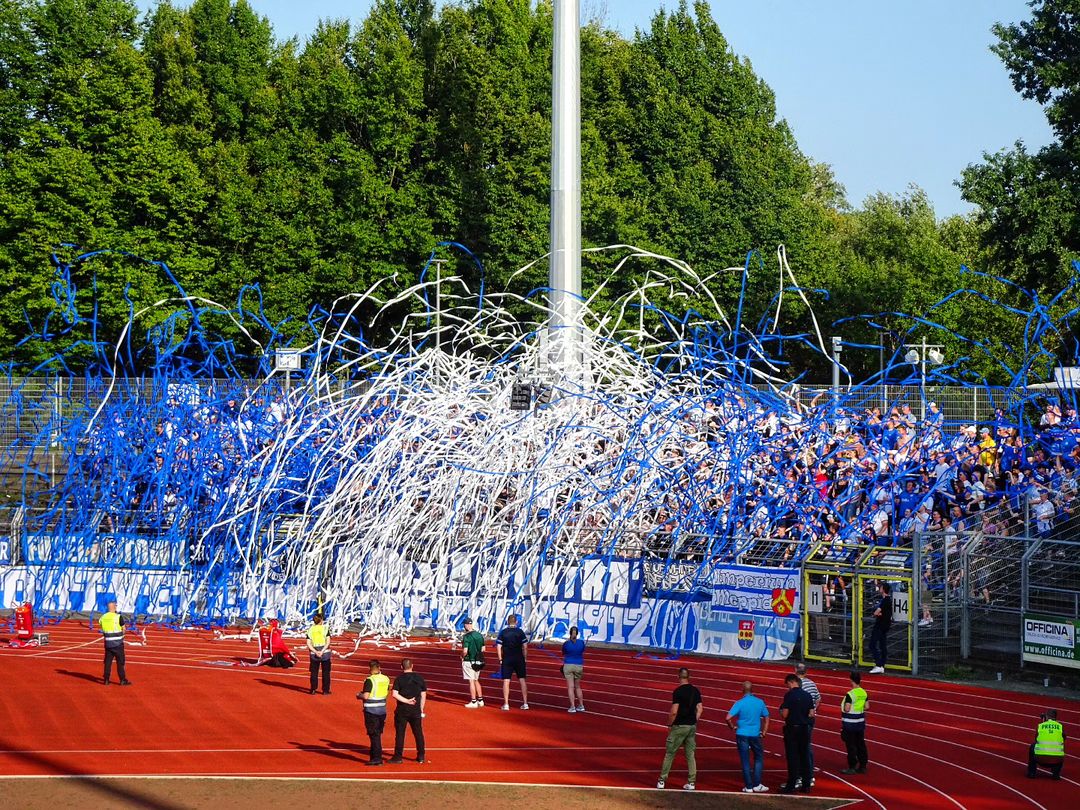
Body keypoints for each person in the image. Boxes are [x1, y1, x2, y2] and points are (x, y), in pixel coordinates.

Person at [656, 667, 702, 791]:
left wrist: (669, 725)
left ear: (678, 677)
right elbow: (700, 708)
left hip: (679, 726)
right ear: (689, 677)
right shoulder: (695, 691)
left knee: (670, 753)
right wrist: (694, 720)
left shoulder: (678, 692)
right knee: (690, 755)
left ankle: (662, 780)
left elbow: (674, 712)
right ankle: (691, 782)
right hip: (691, 727)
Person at [726, 680, 769, 793]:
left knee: (745, 760)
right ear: (752, 690)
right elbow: (766, 717)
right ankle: (757, 784)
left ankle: (749, 786)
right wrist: (764, 731)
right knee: (758, 758)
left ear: (742, 690)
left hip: (742, 734)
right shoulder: (760, 702)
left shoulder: (739, 703)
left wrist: (732, 727)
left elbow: (728, 718)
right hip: (755, 734)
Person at [779, 674, 814, 794]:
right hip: (805, 728)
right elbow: (811, 713)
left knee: (793, 757)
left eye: (787, 684)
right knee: (804, 756)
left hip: (792, 728)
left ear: (791, 682)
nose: (787, 687)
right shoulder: (808, 695)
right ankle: (806, 784)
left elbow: (784, 714)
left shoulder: (789, 695)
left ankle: (791, 785)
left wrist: (783, 711)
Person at [389, 658, 427, 764]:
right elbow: (423, 694)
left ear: (401, 667)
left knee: (400, 733)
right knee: (418, 733)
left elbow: (394, 694)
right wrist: (421, 708)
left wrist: (406, 701)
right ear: (412, 666)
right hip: (416, 710)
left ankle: (398, 756)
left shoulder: (399, 679)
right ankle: (421, 755)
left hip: (402, 710)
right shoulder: (419, 678)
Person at [357, 660, 390, 766]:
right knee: (377, 734)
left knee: (374, 735)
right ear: (379, 667)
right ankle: (374, 756)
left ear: (370, 668)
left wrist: (359, 695)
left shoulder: (370, 680)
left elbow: (366, 696)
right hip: (382, 710)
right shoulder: (386, 679)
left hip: (371, 710)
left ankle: (376, 758)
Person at [496, 614, 529, 710]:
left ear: (507, 621)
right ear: (517, 622)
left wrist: (500, 659)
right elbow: (525, 646)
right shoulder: (520, 632)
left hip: (507, 658)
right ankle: (525, 703)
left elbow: (499, 646)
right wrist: (525, 658)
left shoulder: (503, 632)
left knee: (506, 681)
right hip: (519, 658)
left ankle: (506, 704)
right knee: (522, 680)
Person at [795, 663, 820, 787]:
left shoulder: (797, 685)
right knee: (807, 746)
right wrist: (814, 709)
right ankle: (809, 775)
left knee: (800, 748)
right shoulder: (812, 684)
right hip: (810, 719)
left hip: (801, 720)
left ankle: (802, 775)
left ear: (795, 671)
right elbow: (818, 698)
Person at [840, 671, 870, 774]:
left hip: (850, 723)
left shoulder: (850, 694)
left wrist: (845, 708)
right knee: (861, 743)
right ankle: (863, 765)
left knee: (851, 745)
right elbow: (867, 707)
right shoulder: (863, 692)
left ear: (851, 680)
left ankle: (852, 766)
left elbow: (847, 708)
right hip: (860, 722)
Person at [98, 600, 132, 686]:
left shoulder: (103, 617)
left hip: (108, 643)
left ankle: (106, 679)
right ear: (114, 607)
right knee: (120, 662)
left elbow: (102, 626)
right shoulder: (118, 617)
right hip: (118, 643)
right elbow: (123, 629)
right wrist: (122, 633)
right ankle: (122, 680)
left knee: (108, 662)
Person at [1027, 709, 1065, 779]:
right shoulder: (1060, 726)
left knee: (1033, 746)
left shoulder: (1040, 726)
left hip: (1041, 759)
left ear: (1046, 716)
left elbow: (1036, 739)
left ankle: (1031, 772)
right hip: (1056, 760)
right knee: (1060, 747)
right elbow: (1064, 738)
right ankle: (1056, 774)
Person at [460, 617, 486, 708]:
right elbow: (483, 649)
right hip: (478, 660)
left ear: (466, 625)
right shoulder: (479, 635)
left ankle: (474, 701)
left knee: (471, 681)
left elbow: (465, 651)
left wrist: (462, 657)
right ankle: (480, 700)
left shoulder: (466, 637)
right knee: (476, 680)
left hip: (469, 660)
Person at [869, 582, 893, 674]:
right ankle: (882, 664)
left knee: (872, 644)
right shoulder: (888, 600)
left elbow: (876, 612)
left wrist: (878, 613)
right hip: (885, 625)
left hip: (880, 625)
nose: (879, 588)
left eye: (881, 587)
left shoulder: (885, 600)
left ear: (883, 589)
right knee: (882, 645)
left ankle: (879, 664)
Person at [306, 613, 332, 695]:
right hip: (325, 653)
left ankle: (313, 689)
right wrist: (322, 651)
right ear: (321, 620)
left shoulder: (310, 630)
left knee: (314, 672)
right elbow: (328, 642)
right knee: (326, 672)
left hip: (314, 653)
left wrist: (315, 651)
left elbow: (308, 643)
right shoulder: (325, 629)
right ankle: (325, 690)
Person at [561, 626, 586, 713]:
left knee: (570, 687)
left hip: (568, 665)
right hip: (579, 665)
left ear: (570, 633)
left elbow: (563, 652)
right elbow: (582, 650)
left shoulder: (566, 644)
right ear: (577, 633)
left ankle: (572, 706)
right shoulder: (581, 643)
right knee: (578, 686)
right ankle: (581, 705)